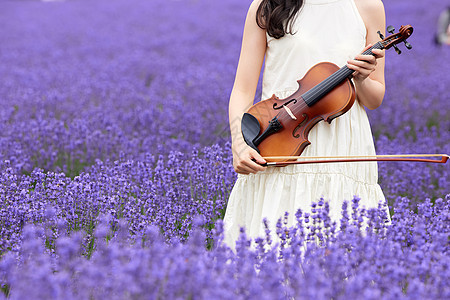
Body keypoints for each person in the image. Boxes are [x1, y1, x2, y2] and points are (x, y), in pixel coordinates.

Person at [224, 0, 388, 249]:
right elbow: (242, 91)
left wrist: (363, 79)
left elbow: (374, 98)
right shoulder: (267, 5)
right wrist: (239, 143)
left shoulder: (368, 6)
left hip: (344, 147)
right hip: (279, 139)